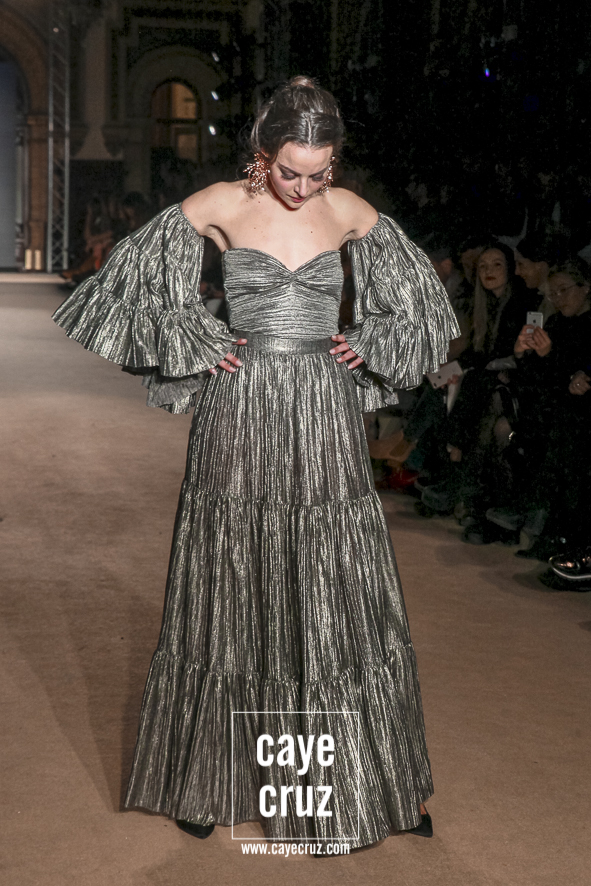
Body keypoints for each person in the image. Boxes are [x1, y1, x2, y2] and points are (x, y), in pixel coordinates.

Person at [52, 76, 458, 850]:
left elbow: (421, 304)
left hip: (324, 410)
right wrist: (198, 337)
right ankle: (207, 777)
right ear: (261, 154)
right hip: (239, 408)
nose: (304, 188)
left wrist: (370, 340)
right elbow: (126, 287)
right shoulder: (218, 205)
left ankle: (363, 782)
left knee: (333, 577)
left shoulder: (350, 212)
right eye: (289, 171)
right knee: (230, 569)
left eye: (319, 171)